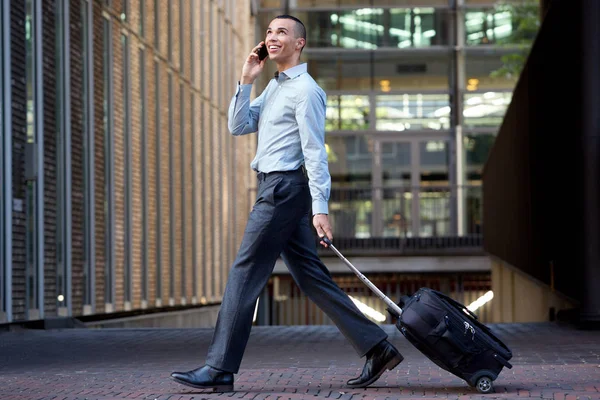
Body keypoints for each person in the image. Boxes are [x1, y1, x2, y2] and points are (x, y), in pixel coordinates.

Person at [170, 15, 403, 393]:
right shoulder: (275, 87)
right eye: (269, 32)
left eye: (282, 32)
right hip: (276, 188)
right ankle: (377, 347)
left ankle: (219, 368)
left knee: (244, 273)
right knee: (310, 277)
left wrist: (320, 207)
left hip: (282, 190)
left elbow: (315, 153)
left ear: (299, 43)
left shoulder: (306, 91)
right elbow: (238, 125)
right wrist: (246, 79)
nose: (272, 37)